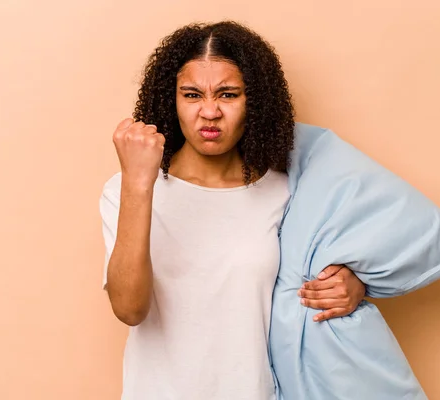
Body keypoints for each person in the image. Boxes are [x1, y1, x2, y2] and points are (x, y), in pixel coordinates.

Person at [99, 21, 366, 400]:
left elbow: (309, 281)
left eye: (228, 94)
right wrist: (139, 184)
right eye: (192, 95)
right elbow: (129, 309)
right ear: (170, 100)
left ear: (253, 102)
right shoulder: (125, 190)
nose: (210, 112)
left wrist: (352, 286)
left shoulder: (286, 190)